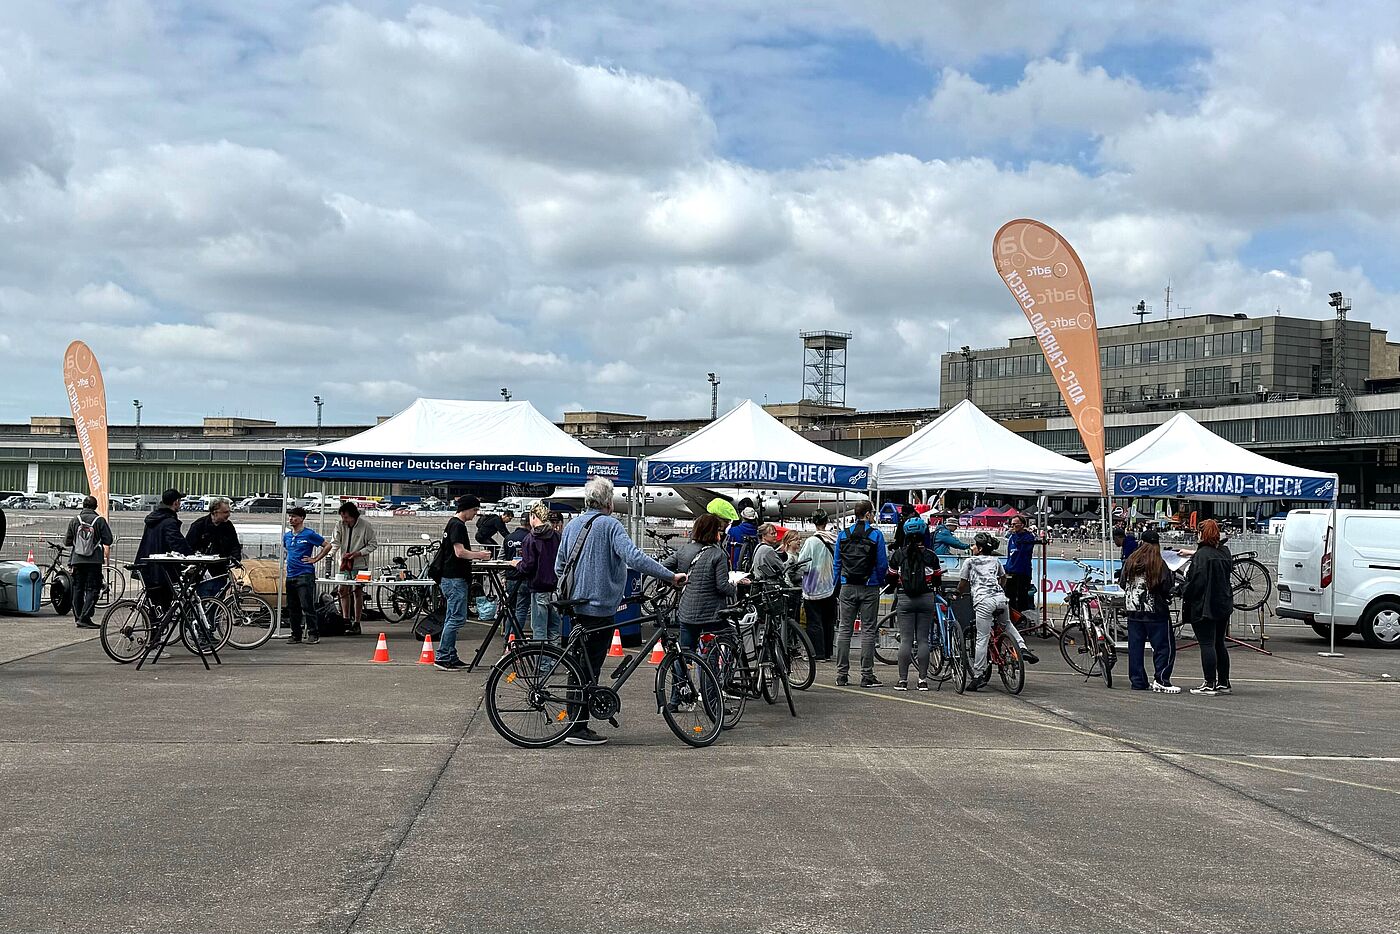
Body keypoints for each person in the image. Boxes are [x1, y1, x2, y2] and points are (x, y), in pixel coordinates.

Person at [553, 476, 686, 746]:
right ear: (608, 502)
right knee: (589, 666)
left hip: (575, 603)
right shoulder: (611, 525)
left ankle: (575, 722)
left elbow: (559, 566)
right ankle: (577, 728)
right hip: (599, 606)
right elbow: (634, 557)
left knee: (580, 665)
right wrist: (670, 576)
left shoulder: (572, 525)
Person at [959, 532, 1037, 690]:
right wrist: (998, 589)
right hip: (1000, 598)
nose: (972, 547)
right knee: (1007, 624)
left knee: (982, 638)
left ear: (980, 548)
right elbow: (1003, 577)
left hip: (983, 601)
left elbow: (963, 583)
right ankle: (1022, 648)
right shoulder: (995, 561)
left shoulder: (969, 561)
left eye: (974, 545)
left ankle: (978, 675)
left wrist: (957, 593)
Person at [665, 513, 741, 657]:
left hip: (687, 610)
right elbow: (722, 586)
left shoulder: (684, 550)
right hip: (711, 614)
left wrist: (676, 580)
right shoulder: (718, 554)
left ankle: (681, 672)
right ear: (714, 532)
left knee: (685, 653)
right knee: (712, 653)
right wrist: (735, 587)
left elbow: (663, 567)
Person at [832, 500, 889, 688]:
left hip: (847, 585)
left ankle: (841, 675)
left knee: (844, 629)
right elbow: (882, 563)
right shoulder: (876, 535)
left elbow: (837, 563)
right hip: (869, 585)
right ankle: (866, 675)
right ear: (867, 514)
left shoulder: (843, 535)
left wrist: (836, 584)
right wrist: (879, 580)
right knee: (868, 630)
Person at [435, 496, 493, 670]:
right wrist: (479, 555)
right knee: (456, 618)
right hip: (455, 578)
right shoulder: (458, 526)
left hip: (449, 578)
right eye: (474, 510)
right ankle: (443, 655)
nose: (475, 514)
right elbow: (459, 552)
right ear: (466, 508)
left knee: (451, 617)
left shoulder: (452, 524)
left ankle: (450, 655)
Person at [1122, 529, 1180, 693]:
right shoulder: (1159, 563)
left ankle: (1137, 681)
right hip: (1156, 611)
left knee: (1135, 647)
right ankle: (1161, 679)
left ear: (1142, 542)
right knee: (1163, 647)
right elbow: (1166, 586)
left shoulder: (1131, 560)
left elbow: (1122, 583)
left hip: (1133, 610)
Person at [1181, 519, 1234, 696]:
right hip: (1223, 603)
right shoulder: (1224, 552)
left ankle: (1209, 682)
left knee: (1206, 643)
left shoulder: (1202, 555)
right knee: (1219, 643)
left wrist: (1182, 590)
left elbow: (1196, 582)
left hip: (1204, 605)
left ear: (1201, 534)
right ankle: (1223, 682)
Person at [893, 516, 939, 691]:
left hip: (905, 599)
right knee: (923, 640)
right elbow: (937, 578)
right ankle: (922, 680)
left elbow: (890, 577)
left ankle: (902, 680)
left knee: (906, 640)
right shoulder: (930, 555)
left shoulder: (899, 554)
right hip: (926, 598)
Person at [134, 488, 189, 612]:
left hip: (149, 566)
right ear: (175, 502)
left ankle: (153, 623)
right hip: (162, 569)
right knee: (164, 602)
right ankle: (157, 623)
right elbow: (177, 543)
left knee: (154, 605)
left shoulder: (154, 518)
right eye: (179, 501)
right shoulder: (169, 521)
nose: (180, 504)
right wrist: (190, 555)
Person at [283, 506, 333, 645]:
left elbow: (327, 545)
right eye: (290, 516)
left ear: (302, 518)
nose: (291, 519)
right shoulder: (287, 536)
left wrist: (315, 559)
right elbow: (287, 549)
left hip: (304, 574)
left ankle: (313, 633)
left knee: (307, 605)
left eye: (294, 516)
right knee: (293, 607)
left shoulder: (309, 534)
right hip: (291, 574)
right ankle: (296, 634)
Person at [63, 495, 113, 629]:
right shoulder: (99, 520)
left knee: (78, 588)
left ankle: (78, 616)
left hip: (77, 559)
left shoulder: (75, 520)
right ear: (95, 507)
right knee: (93, 588)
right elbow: (108, 540)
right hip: (94, 560)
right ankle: (85, 617)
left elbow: (67, 541)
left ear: (83, 506)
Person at [516, 504, 563, 645]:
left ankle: (542, 659)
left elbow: (528, 566)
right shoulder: (557, 536)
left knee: (539, 629)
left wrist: (516, 565)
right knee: (554, 629)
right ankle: (555, 656)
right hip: (556, 589)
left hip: (538, 588)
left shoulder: (530, 539)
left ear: (533, 516)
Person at [797, 510, 838, 660]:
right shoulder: (834, 540)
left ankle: (817, 653)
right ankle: (827, 652)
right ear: (827, 522)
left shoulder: (811, 542)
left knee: (814, 621)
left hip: (813, 586)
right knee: (828, 621)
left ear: (813, 522)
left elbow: (803, 564)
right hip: (831, 584)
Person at [332, 500, 378, 634]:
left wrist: (359, 553)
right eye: (342, 517)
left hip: (360, 564)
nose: (344, 520)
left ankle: (357, 622)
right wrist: (330, 554)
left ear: (353, 516)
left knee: (358, 591)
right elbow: (335, 542)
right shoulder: (339, 525)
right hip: (344, 564)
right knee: (342, 590)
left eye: (346, 517)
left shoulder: (366, 526)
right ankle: (346, 619)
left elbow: (373, 544)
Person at [185, 497, 242, 600]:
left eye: (229, 512)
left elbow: (235, 544)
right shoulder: (199, 526)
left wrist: (236, 558)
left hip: (221, 571)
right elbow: (188, 547)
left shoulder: (228, 526)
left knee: (219, 602)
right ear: (215, 512)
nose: (228, 515)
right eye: (225, 512)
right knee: (204, 601)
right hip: (203, 574)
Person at [501, 511, 533, 642]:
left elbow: (502, 558)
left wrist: (503, 576)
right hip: (524, 578)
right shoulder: (531, 538)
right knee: (521, 610)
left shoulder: (508, 538)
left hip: (510, 579)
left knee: (511, 610)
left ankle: (508, 639)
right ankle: (514, 639)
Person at [1003, 515, 1039, 629]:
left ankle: (1022, 620)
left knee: (1022, 597)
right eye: (1012, 524)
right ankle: (1012, 619)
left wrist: (1016, 534)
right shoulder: (1012, 537)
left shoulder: (1028, 537)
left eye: (1015, 524)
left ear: (1022, 525)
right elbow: (1010, 554)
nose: (1013, 526)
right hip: (1011, 570)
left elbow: (1024, 549)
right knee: (1010, 597)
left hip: (1023, 571)